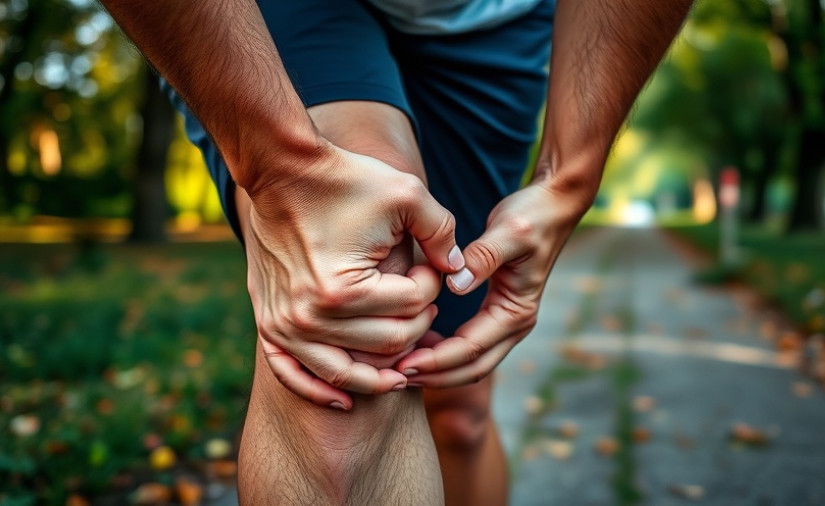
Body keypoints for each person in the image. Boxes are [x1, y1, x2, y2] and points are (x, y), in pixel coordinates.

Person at [100, 0, 692, 503]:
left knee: (459, 407)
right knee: (359, 306)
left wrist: (569, 176)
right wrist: (279, 171)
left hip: (488, 23)